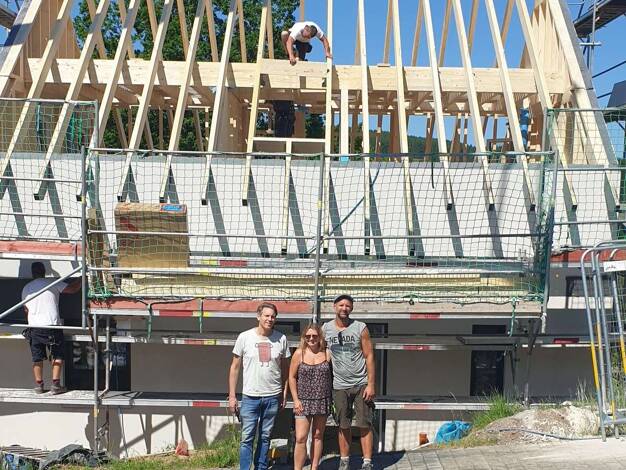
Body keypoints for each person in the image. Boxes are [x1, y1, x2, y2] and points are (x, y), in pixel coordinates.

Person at [228, 302, 291, 470]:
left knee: (265, 437)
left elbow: (286, 370)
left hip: (272, 396)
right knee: (247, 438)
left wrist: (284, 393)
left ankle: (261, 467)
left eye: (273, 316)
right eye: (266, 316)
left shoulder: (281, 339)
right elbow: (234, 367)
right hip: (250, 397)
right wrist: (232, 396)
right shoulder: (245, 337)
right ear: (258, 316)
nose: (270, 319)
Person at [322, 294, 376, 470]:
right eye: (341, 305)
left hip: (361, 383)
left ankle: (367, 462)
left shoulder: (360, 327)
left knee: (364, 424)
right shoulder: (326, 329)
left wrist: (371, 384)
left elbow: (369, 356)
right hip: (339, 385)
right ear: (334, 307)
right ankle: (344, 460)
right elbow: (322, 352)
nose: (344, 308)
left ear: (351, 309)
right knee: (343, 425)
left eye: (347, 306)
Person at [22, 262, 81, 395]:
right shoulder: (52, 283)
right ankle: (55, 385)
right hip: (52, 325)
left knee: (37, 358)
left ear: (32, 273)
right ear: (44, 271)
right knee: (57, 354)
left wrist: (32, 320)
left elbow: (26, 309)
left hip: (34, 327)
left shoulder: (26, 288)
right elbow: (72, 289)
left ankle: (39, 385)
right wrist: (82, 278)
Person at [288, 323, 332, 470]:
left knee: (318, 436)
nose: (311, 339)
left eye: (314, 336)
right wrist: (295, 400)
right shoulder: (298, 353)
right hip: (303, 400)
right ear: (304, 337)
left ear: (320, 337)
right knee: (301, 437)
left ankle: (314, 467)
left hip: (322, 400)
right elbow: (292, 377)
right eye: (308, 336)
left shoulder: (327, 353)